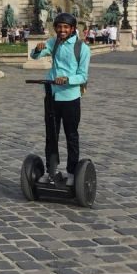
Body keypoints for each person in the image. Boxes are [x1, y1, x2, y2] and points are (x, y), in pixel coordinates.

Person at [29, 13, 91, 186]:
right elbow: (35, 57)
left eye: (65, 27)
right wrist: (38, 49)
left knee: (71, 136)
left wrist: (68, 79)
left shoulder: (82, 48)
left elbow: (83, 76)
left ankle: (72, 173)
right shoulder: (53, 42)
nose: (62, 30)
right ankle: (51, 171)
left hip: (70, 97)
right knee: (51, 136)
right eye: (59, 27)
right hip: (52, 95)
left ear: (72, 29)